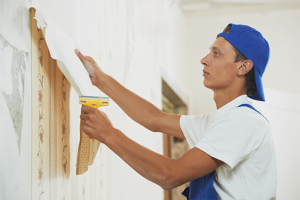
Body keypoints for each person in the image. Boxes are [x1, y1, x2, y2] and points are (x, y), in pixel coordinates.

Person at [75, 23, 277, 199]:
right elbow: (155, 119)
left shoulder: (243, 121)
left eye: (216, 53)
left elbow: (168, 174)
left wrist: (109, 134)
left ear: (243, 67)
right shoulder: (220, 121)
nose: (204, 59)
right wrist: (100, 79)